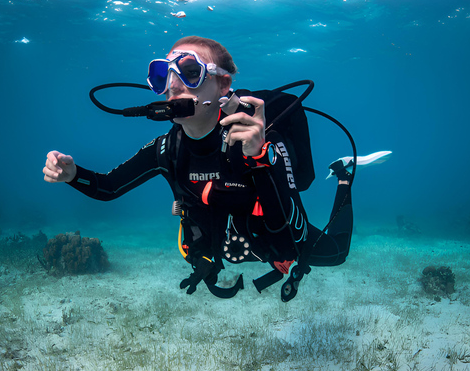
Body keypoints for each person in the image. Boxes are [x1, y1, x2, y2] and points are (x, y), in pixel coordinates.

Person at [43, 36, 369, 300]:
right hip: (229, 244)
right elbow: (108, 187)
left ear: (223, 86)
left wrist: (259, 156)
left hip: (273, 239)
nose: (173, 84)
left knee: (337, 253)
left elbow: (290, 236)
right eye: (162, 75)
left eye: (189, 71)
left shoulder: (258, 137)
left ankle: (344, 177)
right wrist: (73, 175)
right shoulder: (168, 149)